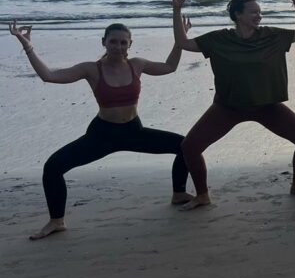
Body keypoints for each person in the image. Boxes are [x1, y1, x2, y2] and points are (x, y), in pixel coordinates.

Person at [9, 20, 193, 239]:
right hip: (102, 135)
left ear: (130, 44)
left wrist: (180, 40)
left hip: (134, 132)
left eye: (123, 42)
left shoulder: (137, 64)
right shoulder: (91, 69)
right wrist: (27, 46)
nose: (118, 47)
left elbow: (169, 67)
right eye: (113, 42)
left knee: (185, 146)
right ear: (104, 42)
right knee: (52, 167)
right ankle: (56, 221)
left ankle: (179, 193)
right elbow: (49, 76)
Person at [171, 0, 295, 211]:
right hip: (228, 107)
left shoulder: (271, 36)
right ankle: (202, 195)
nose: (259, 16)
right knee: (189, 146)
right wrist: (176, 10)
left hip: (267, 106)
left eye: (260, 12)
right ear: (238, 15)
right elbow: (183, 43)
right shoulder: (219, 39)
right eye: (253, 12)